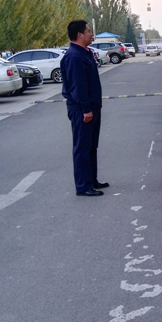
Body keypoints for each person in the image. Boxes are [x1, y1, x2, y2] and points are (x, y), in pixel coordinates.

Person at [61, 20, 109, 197]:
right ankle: (83, 186)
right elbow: (77, 86)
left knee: (91, 146)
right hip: (82, 109)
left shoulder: (84, 53)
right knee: (82, 147)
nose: (91, 34)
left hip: (92, 107)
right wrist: (85, 109)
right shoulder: (74, 56)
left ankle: (91, 180)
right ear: (80, 35)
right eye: (88, 31)